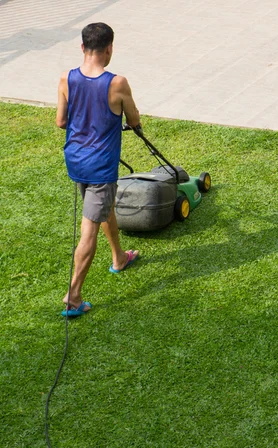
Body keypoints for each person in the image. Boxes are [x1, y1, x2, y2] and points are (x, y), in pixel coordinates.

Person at [56, 22, 140, 317]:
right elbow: (133, 117)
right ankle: (74, 296)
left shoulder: (66, 78)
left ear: (82, 47)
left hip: (76, 161)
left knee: (103, 208)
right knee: (89, 227)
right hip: (100, 166)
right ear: (109, 49)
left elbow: (61, 122)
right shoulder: (117, 83)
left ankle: (119, 257)